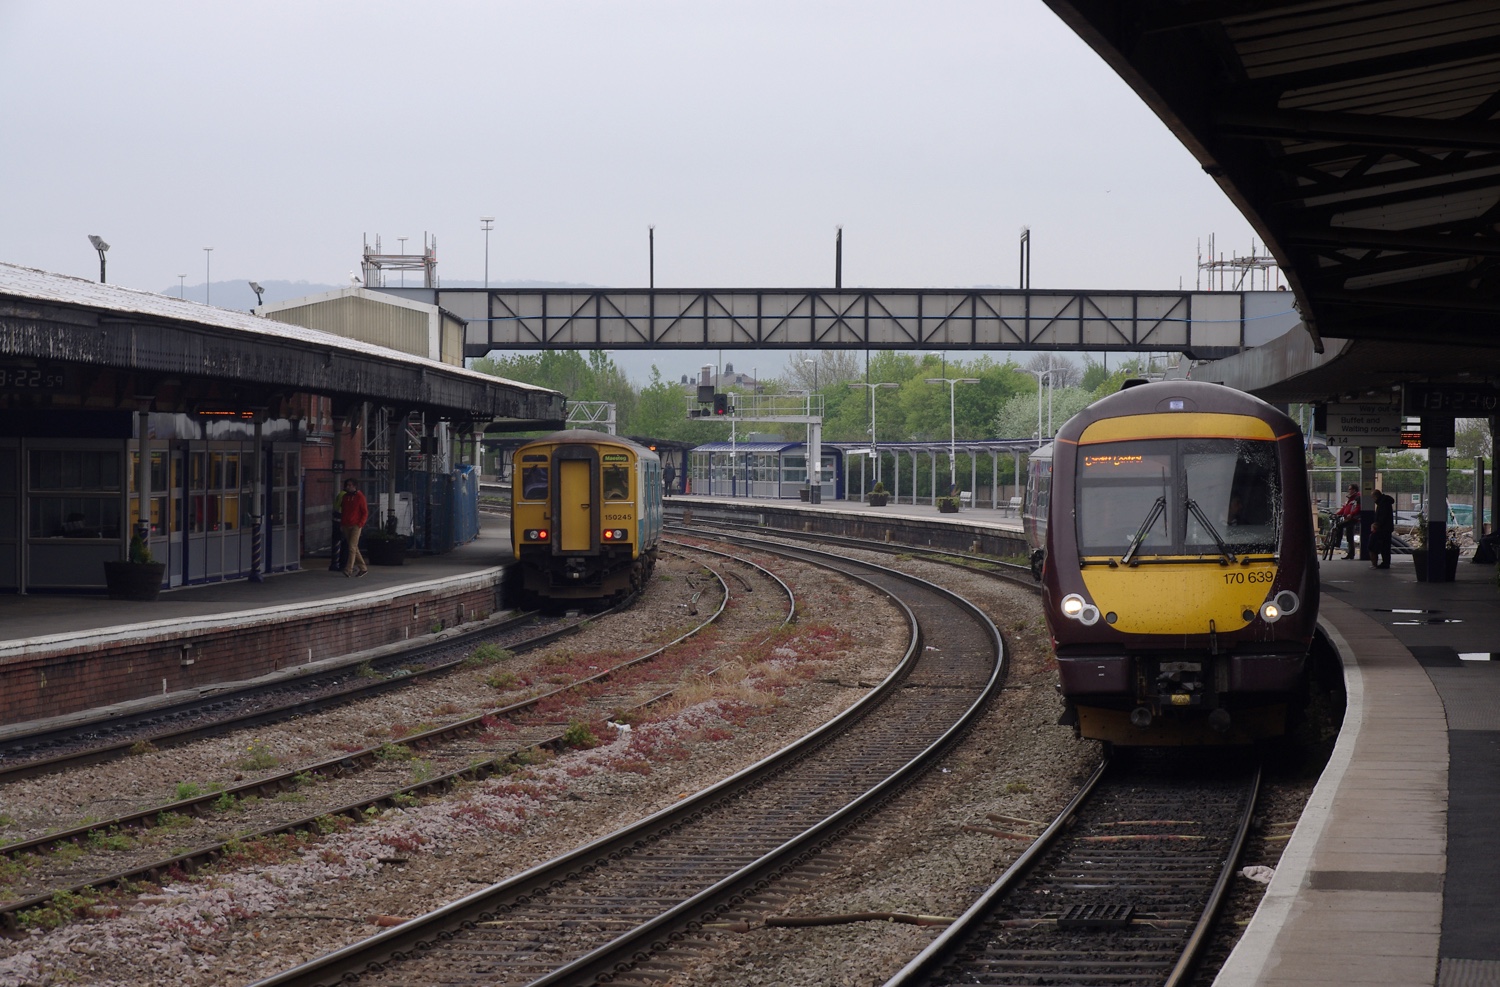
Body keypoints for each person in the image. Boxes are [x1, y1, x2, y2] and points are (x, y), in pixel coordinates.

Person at [340, 478, 369, 577]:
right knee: (354, 547)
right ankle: (363, 568)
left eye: (350, 485)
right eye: (347, 485)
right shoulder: (345, 497)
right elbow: (343, 510)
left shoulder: (360, 497)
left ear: (355, 486)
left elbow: (365, 512)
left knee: (352, 547)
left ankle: (349, 569)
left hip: (356, 525)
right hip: (346, 524)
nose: (348, 487)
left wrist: (361, 523)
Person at [1334, 484, 1361, 558]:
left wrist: (1351, 514)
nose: (1348, 491)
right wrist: (1337, 514)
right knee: (1349, 535)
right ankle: (1351, 554)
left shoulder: (1357, 498)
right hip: (1348, 518)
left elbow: (1358, 508)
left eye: (1350, 489)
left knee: (1340, 526)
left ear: (1354, 490)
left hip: (1353, 518)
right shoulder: (1351, 499)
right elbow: (1345, 508)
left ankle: (1337, 543)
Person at [1370, 488, 1395, 569]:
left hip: (1383, 529)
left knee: (1383, 546)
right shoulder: (1384, 502)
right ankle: (1385, 562)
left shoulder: (1383, 504)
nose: (1373, 500)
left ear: (1376, 496)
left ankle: (1385, 563)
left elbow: (1382, 516)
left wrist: (1377, 524)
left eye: (1373, 497)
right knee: (1385, 546)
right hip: (1386, 528)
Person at [328, 483, 346, 572]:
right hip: (341, 521)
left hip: (336, 520)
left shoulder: (340, 494)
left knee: (336, 542)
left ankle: (334, 563)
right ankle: (338, 564)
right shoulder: (345, 496)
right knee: (342, 543)